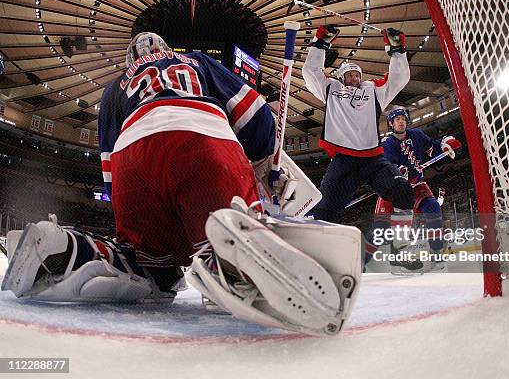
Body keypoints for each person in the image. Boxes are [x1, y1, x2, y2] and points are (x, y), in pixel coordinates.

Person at [1, 32, 362, 336]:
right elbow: (252, 109)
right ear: (166, 48)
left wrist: (131, 221)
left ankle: (71, 250)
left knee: (151, 266)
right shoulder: (195, 61)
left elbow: (109, 166)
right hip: (200, 135)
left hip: (133, 159)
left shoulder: (114, 90)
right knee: (222, 228)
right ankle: (226, 262)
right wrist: (265, 162)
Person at [302, 25, 415, 223]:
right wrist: (321, 43)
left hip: (373, 160)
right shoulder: (331, 88)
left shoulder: (373, 90)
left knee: (404, 192)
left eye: (357, 75)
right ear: (341, 77)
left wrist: (397, 50)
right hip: (343, 162)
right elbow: (310, 72)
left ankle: (401, 236)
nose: (354, 79)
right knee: (324, 213)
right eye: (349, 75)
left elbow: (399, 78)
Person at [367, 108, 461, 270]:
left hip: (416, 184)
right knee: (381, 228)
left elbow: (433, 148)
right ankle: (360, 261)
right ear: (391, 123)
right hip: (394, 189)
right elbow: (385, 167)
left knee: (432, 208)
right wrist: (400, 171)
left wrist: (445, 145)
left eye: (403, 118)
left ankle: (437, 254)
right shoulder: (387, 143)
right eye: (397, 119)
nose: (401, 121)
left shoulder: (417, 135)